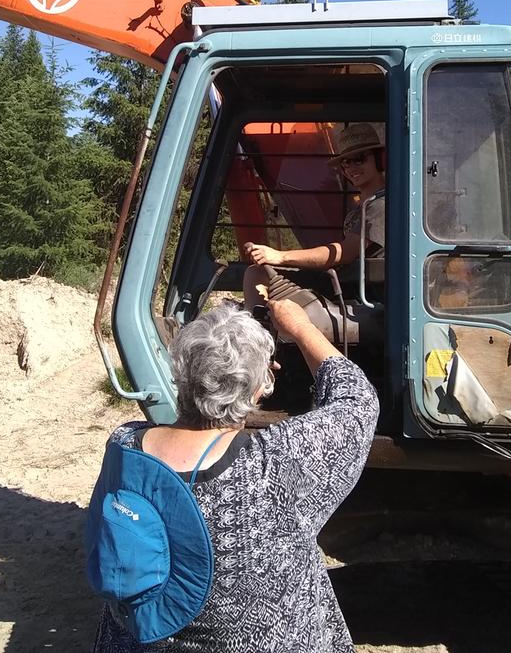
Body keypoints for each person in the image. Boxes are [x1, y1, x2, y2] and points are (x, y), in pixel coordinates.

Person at [90, 299, 379, 653]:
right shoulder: (272, 463)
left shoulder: (124, 446)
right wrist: (302, 328)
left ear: (180, 374)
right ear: (260, 386)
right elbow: (358, 400)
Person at [243, 123, 386, 315]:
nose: (352, 168)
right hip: (343, 282)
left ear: (380, 160)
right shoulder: (361, 206)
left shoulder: (382, 203)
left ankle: (253, 336)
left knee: (257, 274)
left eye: (359, 159)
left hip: (363, 292)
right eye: (346, 163)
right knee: (257, 272)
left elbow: (345, 252)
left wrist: (280, 256)